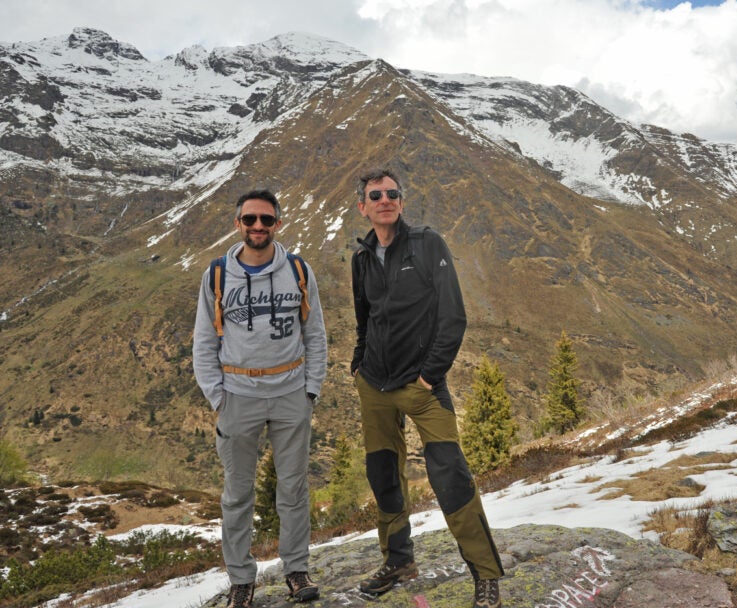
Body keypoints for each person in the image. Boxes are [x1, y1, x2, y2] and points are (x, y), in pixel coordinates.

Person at [350, 168, 505, 608]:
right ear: (363, 206)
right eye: (375, 195)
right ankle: (398, 562)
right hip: (374, 385)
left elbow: (453, 316)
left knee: (450, 475)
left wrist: (429, 376)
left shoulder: (426, 244)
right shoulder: (362, 259)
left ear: (401, 202)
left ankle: (486, 576)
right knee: (383, 476)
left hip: (421, 386)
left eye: (393, 193)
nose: (385, 200)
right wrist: (358, 365)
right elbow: (366, 319)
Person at [193, 189, 327, 607]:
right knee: (237, 494)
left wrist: (311, 391)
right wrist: (219, 398)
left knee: (293, 489)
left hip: (291, 393)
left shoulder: (299, 270)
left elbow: (316, 334)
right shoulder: (216, 275)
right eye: (249, 219)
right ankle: (241, 579)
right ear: (238, 223)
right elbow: (202, 342)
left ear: (278, 224)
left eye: (266, 220)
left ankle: (296, 570)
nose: (257, 227)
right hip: (237, 395)